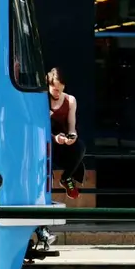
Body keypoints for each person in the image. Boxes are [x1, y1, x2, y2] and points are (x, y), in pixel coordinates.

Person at [48, 68, 86, 199]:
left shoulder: (70, 100)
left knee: (80, 146)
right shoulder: (42, 100)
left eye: (61, 89)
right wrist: (54, 138)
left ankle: (66, 177)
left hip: (63, 142)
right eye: (55, 89)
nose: (58, 93)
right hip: (47, 141)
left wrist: (72, 136)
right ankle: (48, 178)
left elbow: (71, 126)